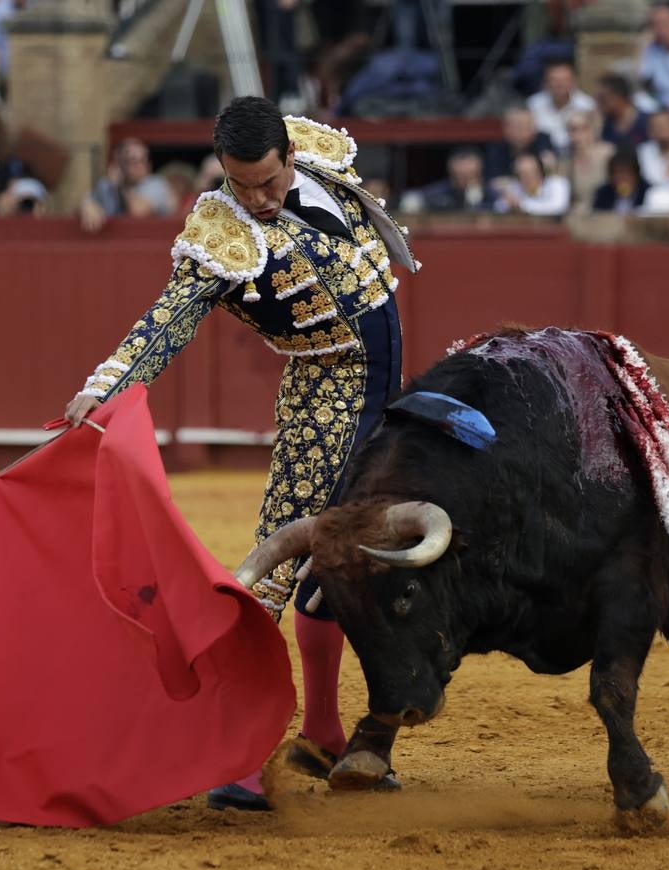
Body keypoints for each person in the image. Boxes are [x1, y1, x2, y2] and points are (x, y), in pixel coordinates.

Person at [62, 97, 416, 811]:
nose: (254, 200)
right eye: (239, 184)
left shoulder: (317, 155)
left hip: (386, 393)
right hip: (325, 399)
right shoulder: (220, 234)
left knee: (341, 561)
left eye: (266, 183)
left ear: (289, 155)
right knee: (276, 564)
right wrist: (102, 390)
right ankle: (242, 754)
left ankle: (320, 733)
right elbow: (165, 321)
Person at [79, 137, 175, 231]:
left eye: (144, 159)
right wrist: (87, 205)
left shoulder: (156, 184)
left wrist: (120, 185)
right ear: (118, 163)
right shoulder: (106, 185)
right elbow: (85, 203)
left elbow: (138, 211)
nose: (141, 165)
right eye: (133, 160)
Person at [526, 58, 597, 150]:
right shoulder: (533, 104)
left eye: (564, 80)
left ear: (574, 82)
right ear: (545, 83)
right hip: (543, 153)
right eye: (554, 80)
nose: (559, 85)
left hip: (578, 153)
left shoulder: (587, 105)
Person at [400, 145, 494, 212]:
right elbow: (415, 198)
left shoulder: (493, 194)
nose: (466, 181)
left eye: (471, 175)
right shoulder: (440, 192)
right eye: (460, 176)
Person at [560, 109, 615, 211]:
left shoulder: (608, 154)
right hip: (577, 215)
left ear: (593, 129)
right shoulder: (564, 160)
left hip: (607, 211)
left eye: (584, 128)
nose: (578, 134)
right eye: (573, 130)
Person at [485, 106, 556, 181]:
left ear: (534, 128)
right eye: (515, 127)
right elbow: (494, 180)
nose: (520, 132)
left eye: (524, 126)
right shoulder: (496, 149)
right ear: (505, 129)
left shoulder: (543, 141)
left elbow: (550, 169)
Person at [493, 149, 571, 214]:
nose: (527, 177)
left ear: (540, 172)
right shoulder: (515, 186)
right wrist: (507, 203)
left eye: (531, 172)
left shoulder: (557, 183)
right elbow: (498, 207)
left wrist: (521, 205)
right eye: (521, 173)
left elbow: (558, 207)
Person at [592, 147, 651, 212]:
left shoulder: (649, 192)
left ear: (636, 175)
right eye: (617, 174)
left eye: (626, 173)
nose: (622, 178)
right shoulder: (603, 193)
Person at [596, 74, 649, 147]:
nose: (598, 103)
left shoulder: (647, 122)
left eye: (602, 98)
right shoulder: (605, 126)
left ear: (618, 96)